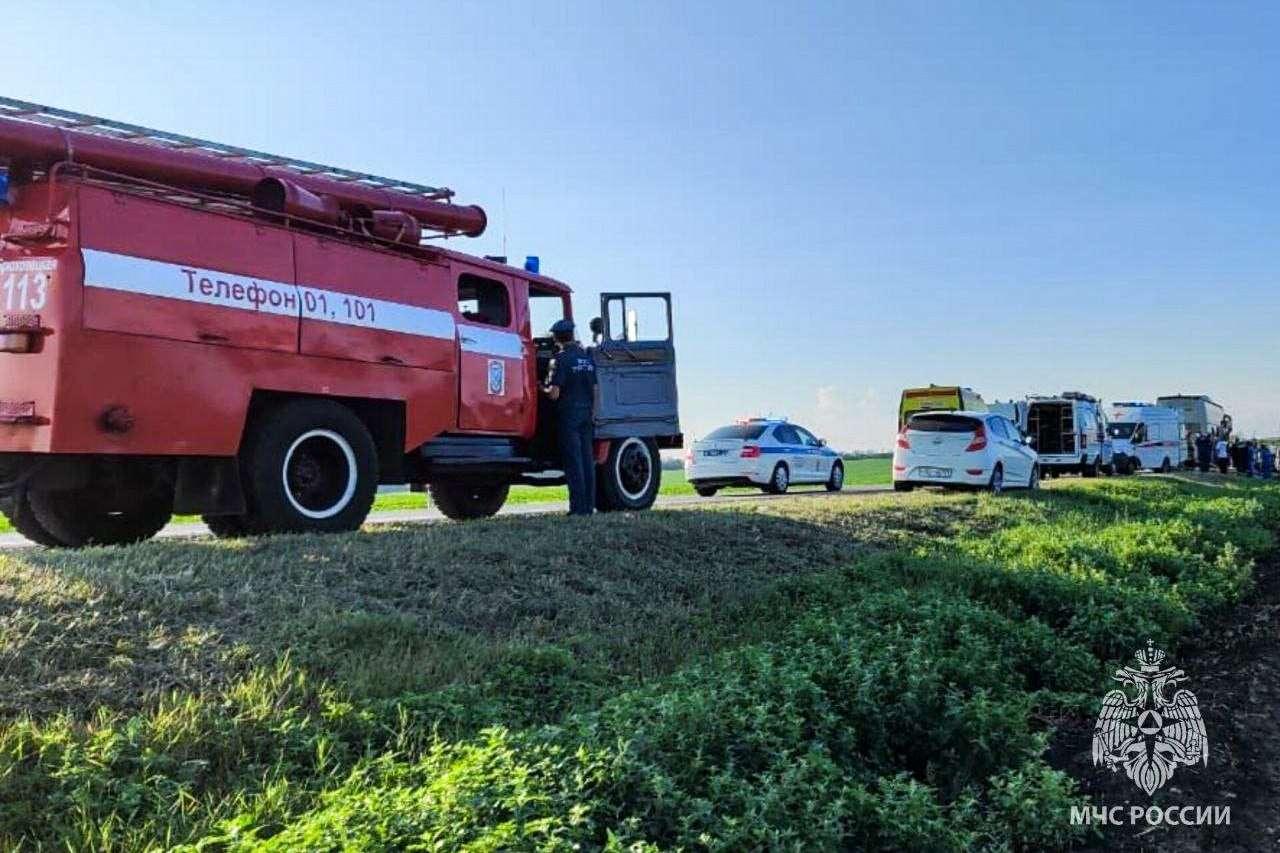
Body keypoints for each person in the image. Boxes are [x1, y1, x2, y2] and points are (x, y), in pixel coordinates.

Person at [543, 319, 597, 515]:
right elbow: (595, 389)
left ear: (557, 337)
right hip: (587, 414)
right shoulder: (586, 358)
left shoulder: (561, 359)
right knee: (587, 461)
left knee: (573, 462)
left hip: (568, 416)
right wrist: (593, 412)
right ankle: (589, 507)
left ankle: (577, 508)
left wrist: (542, 389)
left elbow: (555, 393)